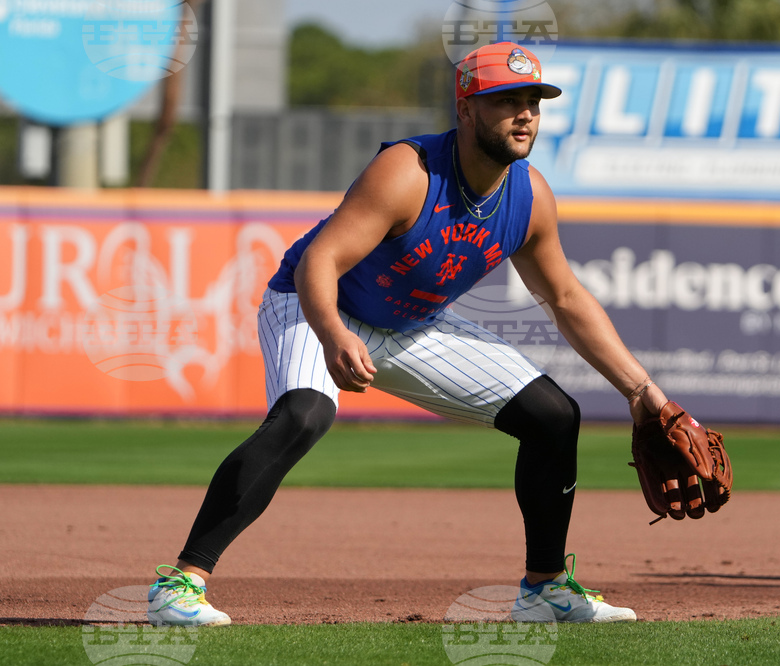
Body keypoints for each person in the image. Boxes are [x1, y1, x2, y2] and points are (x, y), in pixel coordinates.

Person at [147, 42, 675, 626]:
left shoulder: (529, 198)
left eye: (534, 101)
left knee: (554, 416)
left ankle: (545, 589)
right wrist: (329, 334)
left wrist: (640, 390)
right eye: (506, 100)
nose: (525, 114)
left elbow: (567, 298)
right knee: (303, 415)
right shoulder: (410, 171)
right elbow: (319, 261)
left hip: (412, 324)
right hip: (316, 302)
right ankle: (181, 584)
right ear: (467, 108)